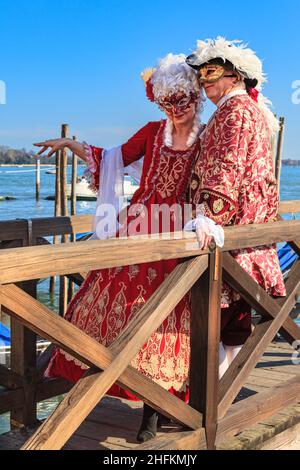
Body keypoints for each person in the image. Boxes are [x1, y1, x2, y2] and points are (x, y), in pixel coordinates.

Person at [34, 53, 205, 442]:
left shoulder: (209, 137)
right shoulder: (150, 131)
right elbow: (109, 159)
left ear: (196, 97)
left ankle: (154, 410)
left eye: (183, 101)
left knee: (165, 322)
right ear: (160, 102)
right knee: (118, 315)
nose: (176, 110)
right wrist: (69, 143)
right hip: (136, 232)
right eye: (168, 102)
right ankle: (95, 389)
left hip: (179, 237)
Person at [185, 37, 286, 376]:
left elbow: (228, 167)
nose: (204, 82)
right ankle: (215, 394)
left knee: (213, 314)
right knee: (232, 317)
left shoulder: (236, 111)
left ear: (234, 75)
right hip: (243, 226)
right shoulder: (240, 110)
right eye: (201, 75)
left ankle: (206, 400)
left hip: (233, 228)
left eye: (211, 73)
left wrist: (208, 219)